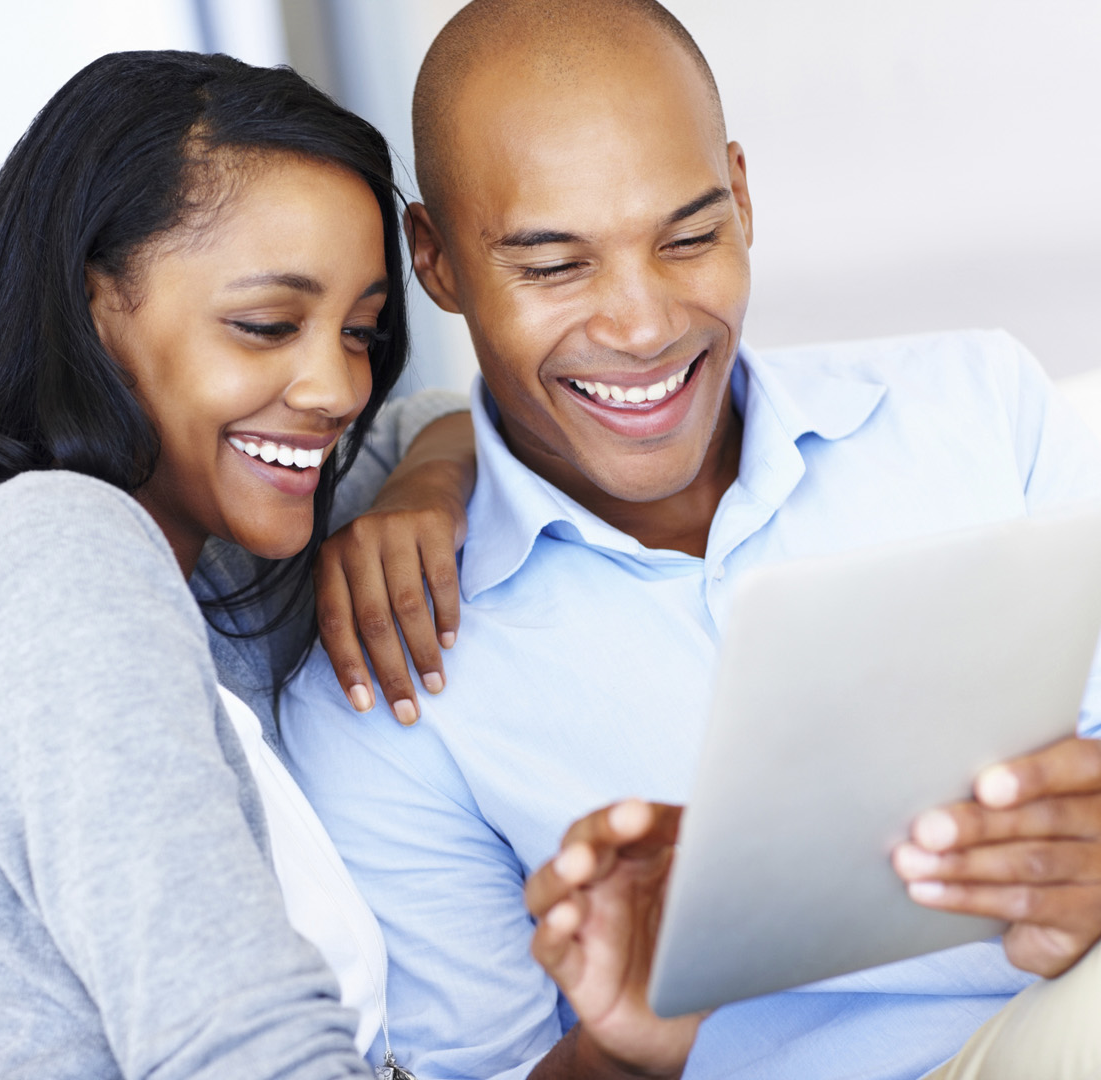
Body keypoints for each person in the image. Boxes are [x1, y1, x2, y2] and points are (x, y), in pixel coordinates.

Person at [281, 2, 1101, 1078]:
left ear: (743, 195)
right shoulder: (387, 678)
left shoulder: (974, 409)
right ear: (433, 261)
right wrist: (620, 1054)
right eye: (555, 267)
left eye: (689, 237)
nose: (644, 325)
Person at [0, 50, 475, 1079]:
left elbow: (456, 421)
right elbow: (241, 1051)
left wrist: (424, 491)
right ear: (96, 308)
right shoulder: (51, 558)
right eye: (266, 325)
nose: (335, 388)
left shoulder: (218, 580)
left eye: (359, 332)